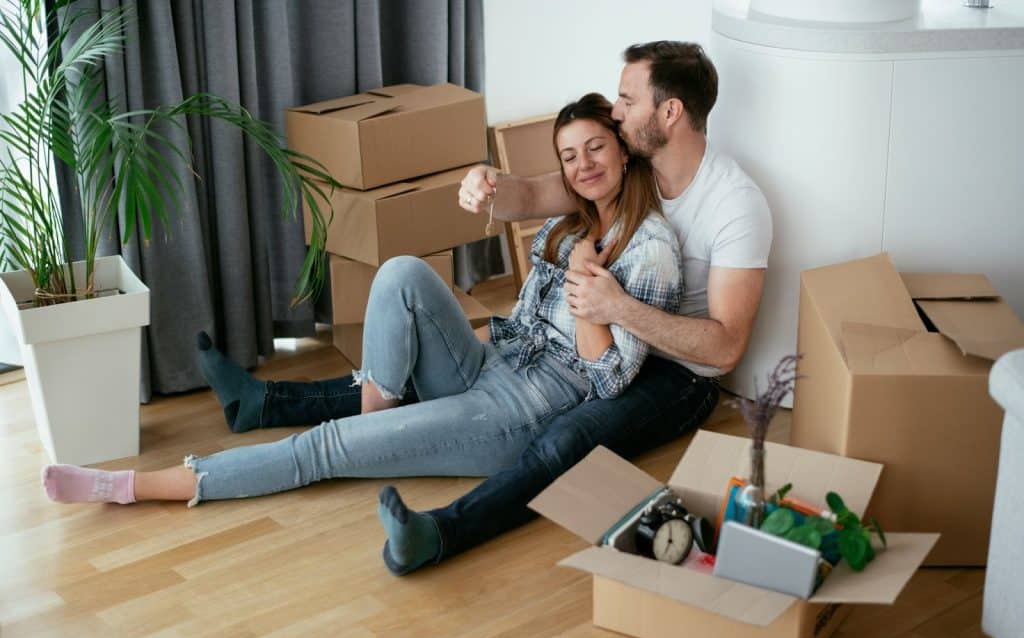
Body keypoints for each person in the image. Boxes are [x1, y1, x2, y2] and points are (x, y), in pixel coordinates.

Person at [41, 93, 683, 514]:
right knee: (402, 271)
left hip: (520, 413)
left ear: (623, 149)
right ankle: (376, 401)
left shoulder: (650, 250)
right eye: (569, 156)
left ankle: (133, 487)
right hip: (492, 366)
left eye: (595, 147)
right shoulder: (569, 222)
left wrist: (594, 296)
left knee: (326, 449)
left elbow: (609, 386)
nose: (582, 165)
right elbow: (519, 325)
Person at [376, 41, 772, 575]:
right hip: (611, 341)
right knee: (462, 346)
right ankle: (272, 402)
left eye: (628, 100)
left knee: (566, 438)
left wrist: (617, 307)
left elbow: (725, 348)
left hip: (679, 375)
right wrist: (484, 184)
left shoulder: (736, 204)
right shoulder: (635, 168)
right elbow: (536, 197)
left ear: (670, 111)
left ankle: (439, 533)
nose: (616, 111)